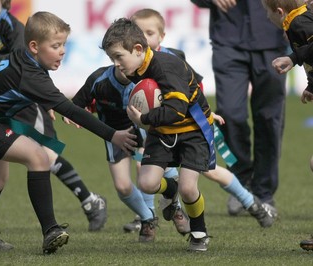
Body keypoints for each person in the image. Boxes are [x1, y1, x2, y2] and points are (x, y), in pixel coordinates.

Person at [0, 11, 136, 254]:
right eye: (55, 45)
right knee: (38, 157)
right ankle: (50, 230)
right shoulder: (31, 75)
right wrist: (113, 135)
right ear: (34, 46)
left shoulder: (26, 58)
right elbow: (70, 109)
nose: (62, 51)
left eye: (64, 44)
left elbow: (15, 84)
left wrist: (42, 102)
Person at [0, 0, 108, 233]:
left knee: (45, 155)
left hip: (23, 102)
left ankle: (90, 201)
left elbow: (21, 62)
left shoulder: (13, 27)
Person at [130, 8, 274, 229]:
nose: (145, 39)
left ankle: (250, 202)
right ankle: (148, 218)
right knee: (147, 166)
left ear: (162, 36)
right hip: (155, 127)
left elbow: (195, 86)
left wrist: (206, 113)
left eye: (149, 33)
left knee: (212, 172)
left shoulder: (173, 59)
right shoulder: (129, 64)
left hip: (189, 126)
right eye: (139, 34)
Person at [101, 18, 214, 252]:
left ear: (138, 49)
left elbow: (176, 110)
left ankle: (199, 232)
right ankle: (169, 190)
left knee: (189, 188)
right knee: (147, 183)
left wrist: (142, 120)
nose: (116, 64)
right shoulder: (136, 67)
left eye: (118, 57)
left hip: (191, 131)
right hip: (162, 131)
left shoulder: (165, 67)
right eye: (112, 59)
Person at [70, 65, 190, 242]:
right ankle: (147, 218)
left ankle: (176, 208)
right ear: (115, 60)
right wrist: (72, 114)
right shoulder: (98, 80)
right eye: (118, 57)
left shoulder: (148, 78)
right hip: (114, 134)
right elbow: (77, 105)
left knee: (148, 167)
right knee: (122, 186)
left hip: (144, 129)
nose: (124, 64)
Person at [191, 0, 288, 217]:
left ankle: (263, 192)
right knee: (229, 114)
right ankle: (240, 182)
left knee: (269, 118)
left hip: (273, 37)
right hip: (228, 39)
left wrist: (297, 19)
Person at [260, 0, 313, 250]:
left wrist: (293, 58)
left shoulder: (300, 22)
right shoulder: (300, 20)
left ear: (279, 12)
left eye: (267, 12)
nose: (267, 17)